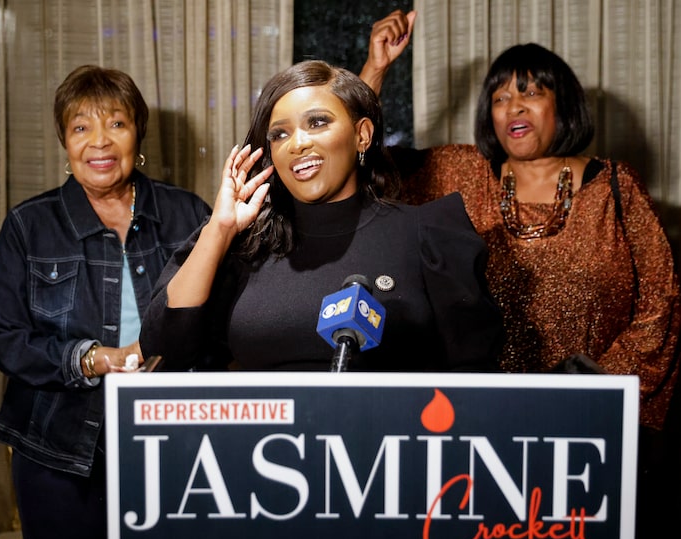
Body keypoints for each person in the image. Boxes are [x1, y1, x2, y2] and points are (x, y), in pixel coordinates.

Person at [359, 10, 681, 432]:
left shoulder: (616, 188)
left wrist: (601, 390)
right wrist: (376, 68)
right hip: (479, 418)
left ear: (562, 103)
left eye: (530, 92)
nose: (513, 105)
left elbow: (662, 301)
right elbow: (359, 160)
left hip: (591, 420)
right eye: (499, 98)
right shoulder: (461, 174)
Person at [0, 65, 211, 539]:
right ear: (65, 141)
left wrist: (179, 361)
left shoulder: (188, 214)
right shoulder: (28, 224)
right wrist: (93, 357)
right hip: (56, 452)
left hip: (171, 442)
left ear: (137, 134)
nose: (99, 142)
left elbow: (225, 319)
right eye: (81, 127)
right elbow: (4, 333)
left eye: (116, 124)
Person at [140, 60, 504, 373]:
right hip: (264, 449)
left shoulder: (427, 234)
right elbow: (165, 349)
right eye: (279, 134)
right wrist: (220, 229)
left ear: (362, 135)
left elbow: (474, 378)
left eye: (317, 123)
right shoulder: (244, 243)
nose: (297, 143)